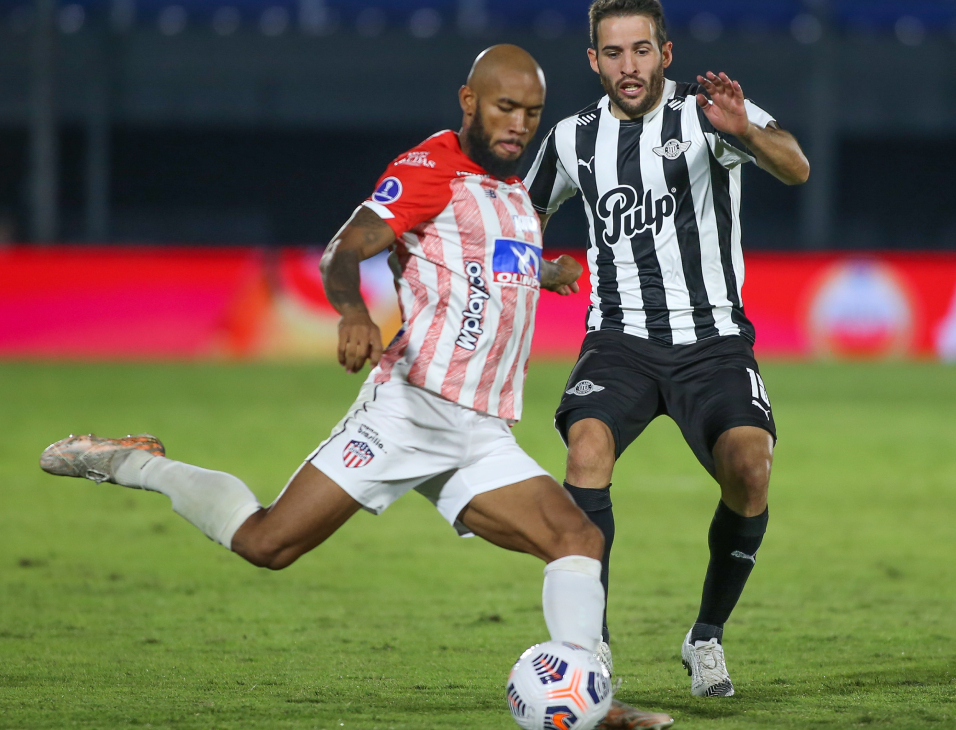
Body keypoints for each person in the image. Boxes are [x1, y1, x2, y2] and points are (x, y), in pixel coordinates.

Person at [39, 42, 611, 694]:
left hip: (480, 431)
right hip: (410, 408)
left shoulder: (511, 190)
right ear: (469, 101)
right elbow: (347, 247)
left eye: (532, 113)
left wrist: (545, 270)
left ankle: (589, 693)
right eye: (506, 107)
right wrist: (352, 314)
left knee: (578, 540)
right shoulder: (430, 168)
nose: (519, 124)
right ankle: (130, 461)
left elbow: (478, 259)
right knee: (267, 543)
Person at [524, 0, 810, 698]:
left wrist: (746, 131)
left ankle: (705, 637)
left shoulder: (710, 113)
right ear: (594, 61)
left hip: (712, 342)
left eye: (642, 51)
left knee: (750, 467)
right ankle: (591, 643)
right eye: (614, 54)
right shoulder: (570, 139)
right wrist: (538, 265)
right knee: (586, 449)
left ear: (666, 52)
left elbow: (796, 166)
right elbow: (520, 217)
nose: (630, 67)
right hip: (618, 339)